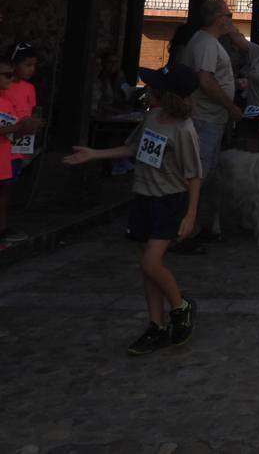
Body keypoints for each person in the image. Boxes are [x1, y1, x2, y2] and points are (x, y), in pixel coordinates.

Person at [62, 65, 202, 356]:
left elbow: (194, 175)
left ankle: (180, 306)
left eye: (153, 86)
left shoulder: (184, 129)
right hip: (143, 198)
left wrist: (190, 214)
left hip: (168, 200)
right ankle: (156, 325)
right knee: (147, 268)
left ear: (166, 93)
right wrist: (94, 154)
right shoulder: (151, 118)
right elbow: (132, 150)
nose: (147, 89)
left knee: (152, 263)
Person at [177, 0, 243, 188]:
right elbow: (205, 80)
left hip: (210, 118)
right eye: (228, 15)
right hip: (205, 118)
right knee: (198, 173)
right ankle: (186, 215)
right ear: (218, 19)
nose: (231, 19)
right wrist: (231, 107)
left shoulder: (207, 41)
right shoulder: (206, 43)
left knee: (203, 171)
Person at [0, 54, 45, 244]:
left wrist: (30, 126)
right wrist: (21, 127)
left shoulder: (7, 102)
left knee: (4, 192)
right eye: (7, 75)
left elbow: (12, 131)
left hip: (5, 154)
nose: (12, 79)